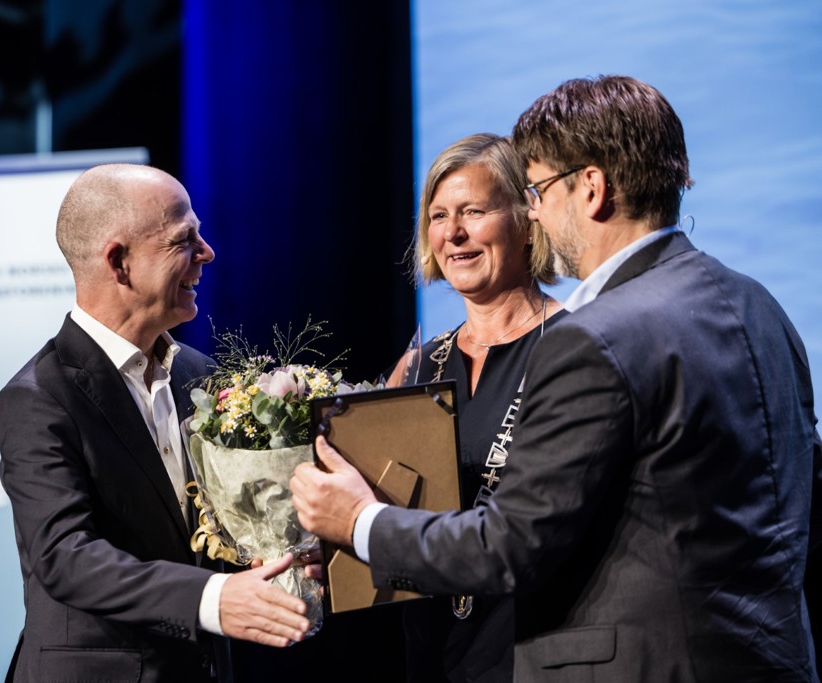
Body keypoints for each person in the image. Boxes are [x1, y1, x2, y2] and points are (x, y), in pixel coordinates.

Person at [292, 75, 822, 682]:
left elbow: (510, 545)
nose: (536, 208)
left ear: (591, 188)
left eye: (539, 189)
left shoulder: (594, 336)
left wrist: (359, 523)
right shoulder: (758, 303)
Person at [0, 163, 310, 683]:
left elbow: (206, 534)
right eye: (184, 240)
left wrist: (268, 557)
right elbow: (64, 557)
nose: (206, 253)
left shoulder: (197, 372)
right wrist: (213, 598)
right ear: (119, 262)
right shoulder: (37, 398)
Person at [395, 133, 565, 683]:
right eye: (439, 215)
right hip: (432, 649)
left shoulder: (577, 347)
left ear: (526, 216)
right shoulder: (417, 365)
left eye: (474, 211)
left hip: (535, 649)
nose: (454, 233)